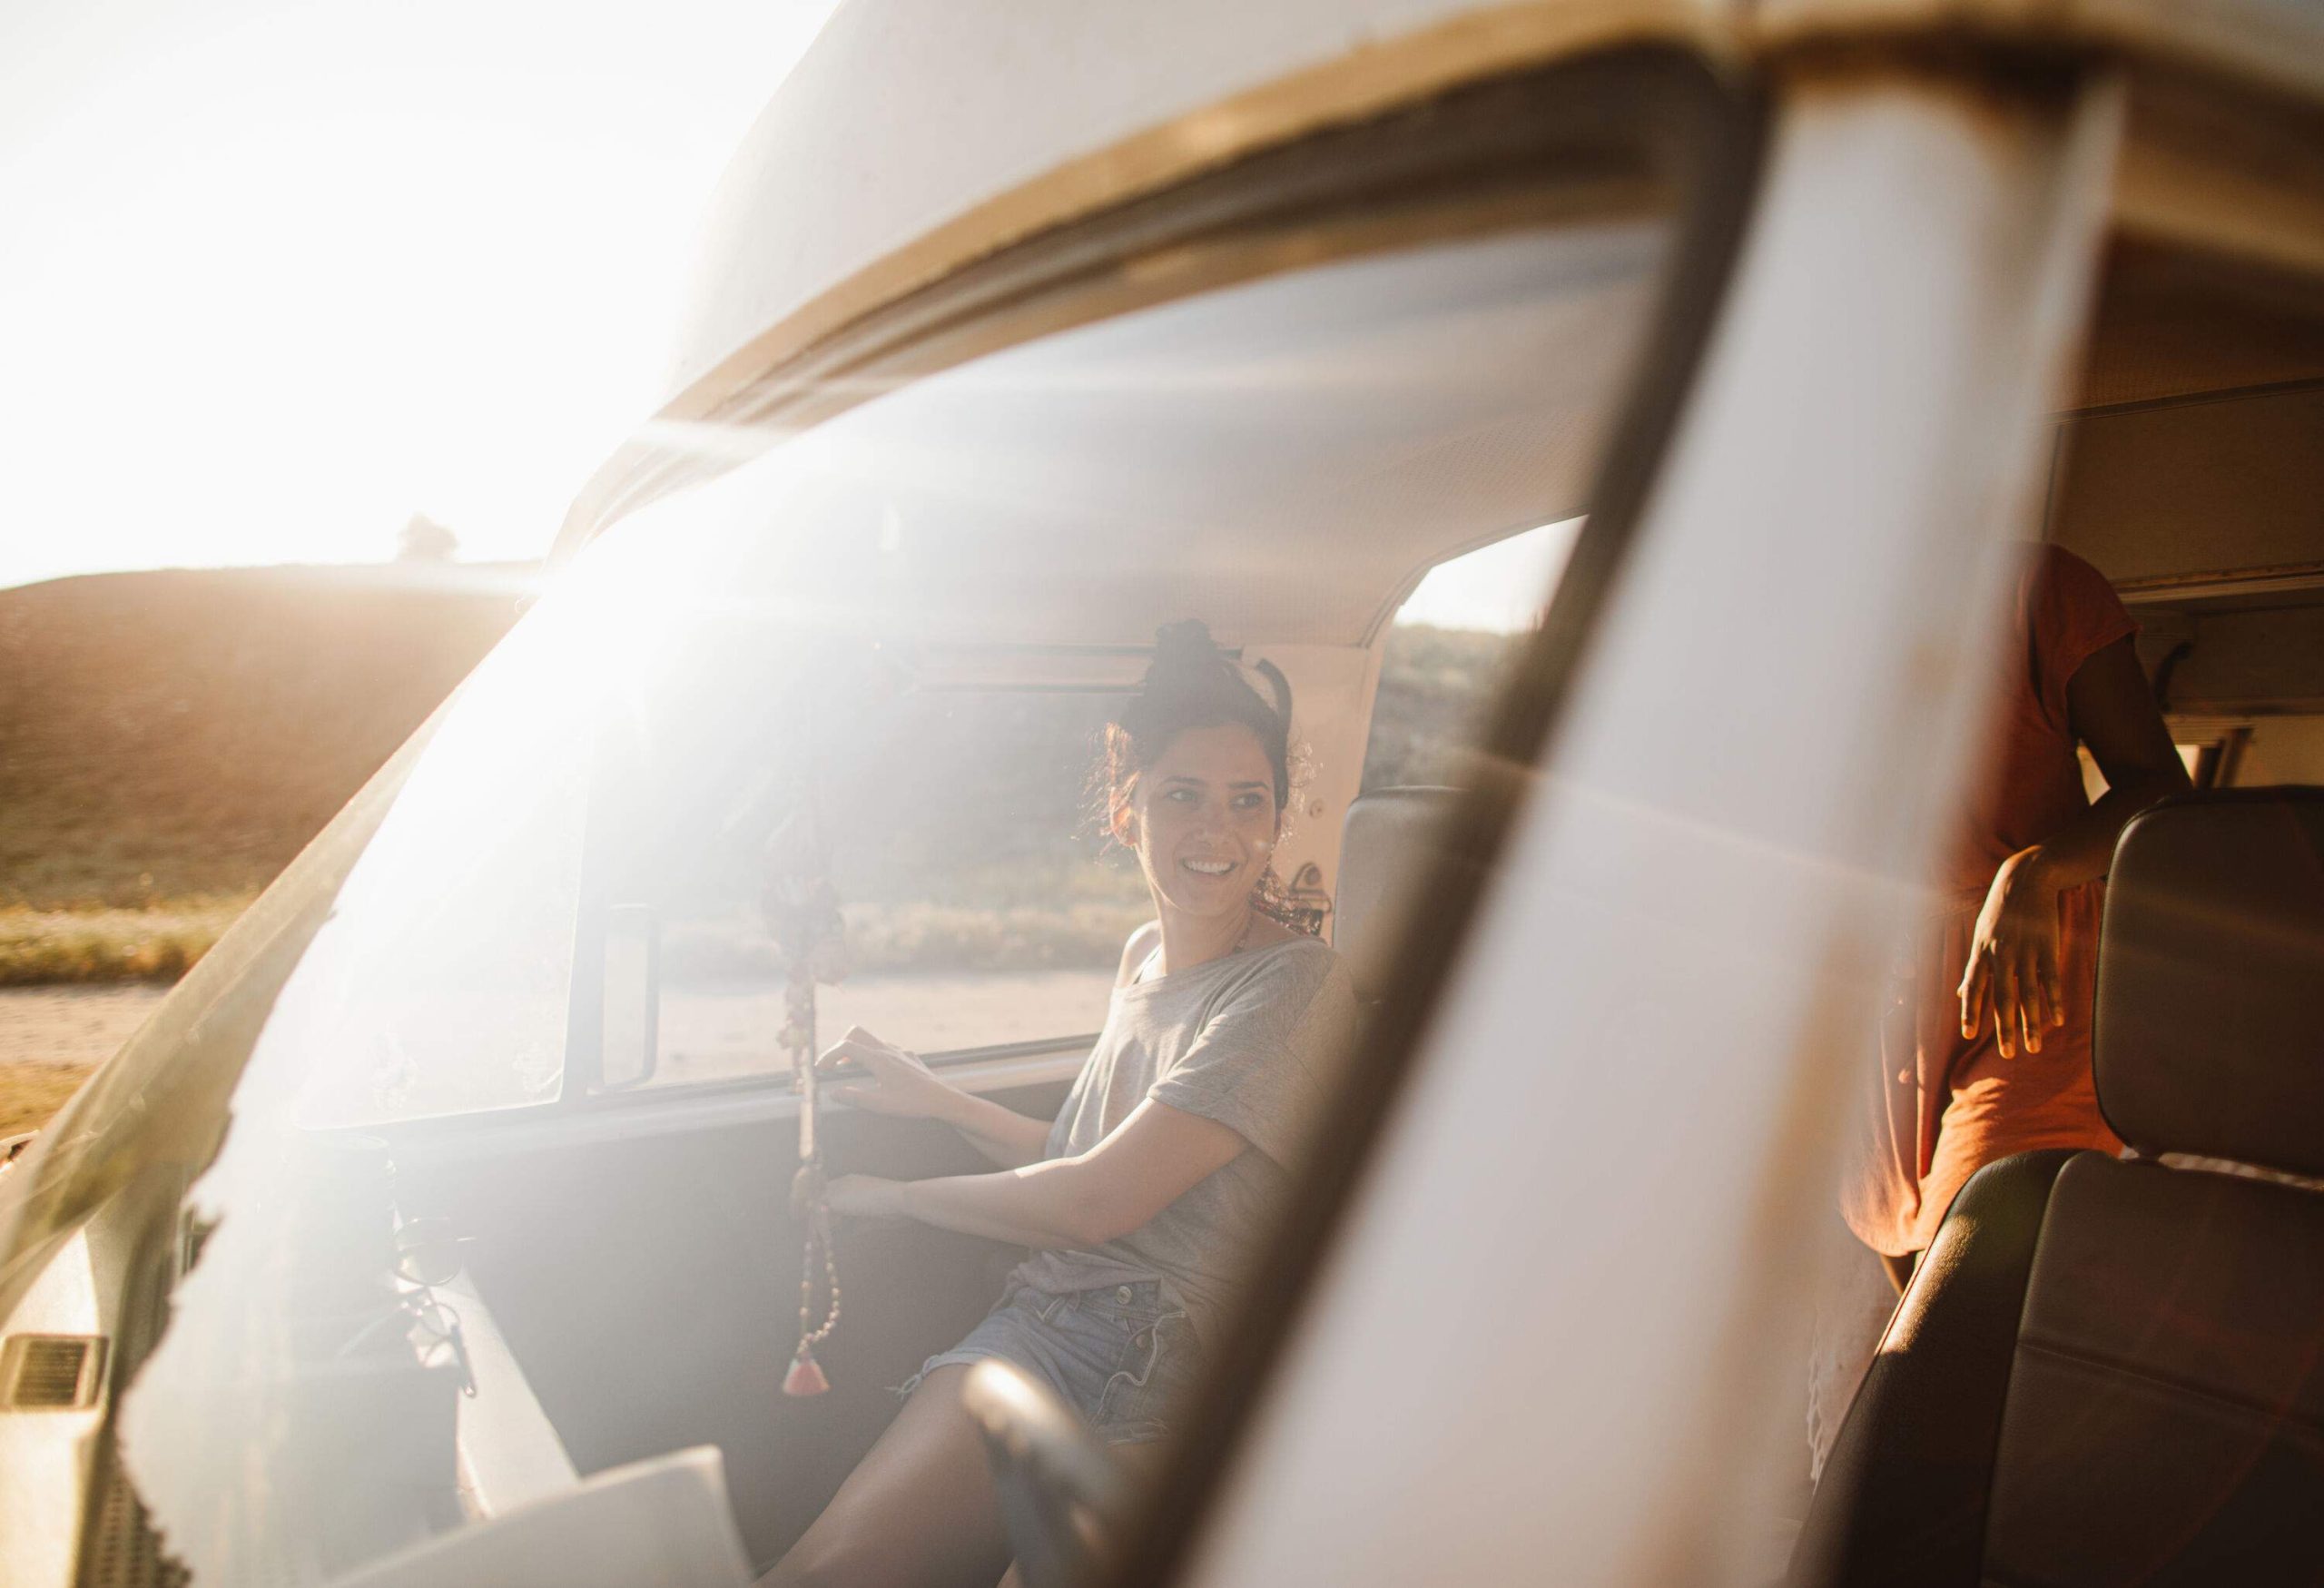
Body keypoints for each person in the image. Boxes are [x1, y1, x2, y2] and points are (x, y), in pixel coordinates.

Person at [764, 621, 1360, 1588]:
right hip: (1048, 1314)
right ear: (1127, 815)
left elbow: (1095, 1201)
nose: (1218, 832)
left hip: (1174, 1357)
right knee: (826, 1566)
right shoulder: (1141, 957)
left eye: (1248, 802)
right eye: (1182, 798)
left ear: (1278, 821)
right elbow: (1084, 1154)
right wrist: (933, 1098)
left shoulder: (1291, 989)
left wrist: (892, 1197)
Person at [1807, 543, 2191, 1473]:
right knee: (1907, 1273)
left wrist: (2039, 871)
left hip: (2028, 984)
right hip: (1872, 996)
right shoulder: (1790, 614)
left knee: (1961, 1297)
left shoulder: (2039, 590)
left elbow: (2159, 786)